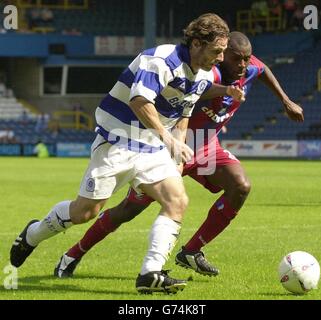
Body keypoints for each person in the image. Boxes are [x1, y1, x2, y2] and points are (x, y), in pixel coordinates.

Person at [10, 13, 244, 294]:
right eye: (217, 51)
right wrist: (168, 139)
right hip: (117, 142)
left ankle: (150, 273)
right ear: (196, 43)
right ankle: (32, 234)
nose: (220, 58)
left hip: (153, 147)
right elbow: (139, 101)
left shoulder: (203, 74)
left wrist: (176, 149)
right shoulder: (160, 60)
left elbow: (183, 113)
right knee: (84, 212)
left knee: (177, 200)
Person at [53, 31, 304, 279]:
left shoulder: (247, 66)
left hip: (205, 146)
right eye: (236, 58)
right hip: (171, 147)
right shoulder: (208, 72)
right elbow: (195, 90)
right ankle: (73, 253)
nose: (243, 65)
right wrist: (225, 91)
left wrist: (285, 101)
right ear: (221, 54)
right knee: (129, 210)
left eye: (246, 59)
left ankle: (192, 251)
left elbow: (262, 71)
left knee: (240, 185)